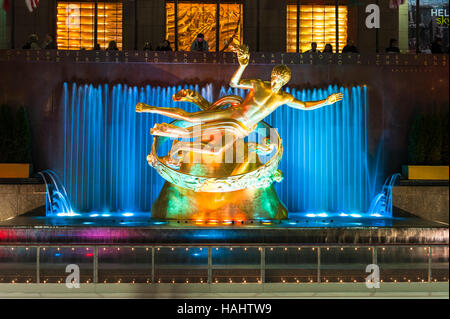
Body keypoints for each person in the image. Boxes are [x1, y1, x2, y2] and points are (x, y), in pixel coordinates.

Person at [135, 43, 343, 166]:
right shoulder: (258, 84)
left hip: (241, 128)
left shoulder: (284, 98)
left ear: (285, 81)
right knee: (190, 118)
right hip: (233, 115)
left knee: (215, 150)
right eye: (274, 75)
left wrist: (326, 101)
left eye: (279, 78)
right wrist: (242, 66)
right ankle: (149, 108)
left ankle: (180, 147)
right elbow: (233, 83)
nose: (275, 80)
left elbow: (306, 106)